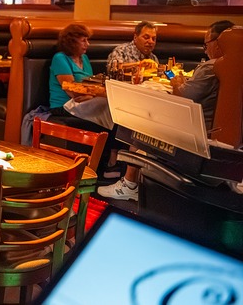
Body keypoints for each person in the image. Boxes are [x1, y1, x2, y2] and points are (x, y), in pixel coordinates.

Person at [98, 20, 236, 202]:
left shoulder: (211, 66)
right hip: (215, 138)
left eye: (206, 44)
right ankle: (123, 173)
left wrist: (177, 81)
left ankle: (129, 184)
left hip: (199, 136)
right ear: (135, 37)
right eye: (146, 37)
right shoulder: (233, 66)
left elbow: (184, 95)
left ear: (219, 42)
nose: (205, 49)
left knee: (142, 124)